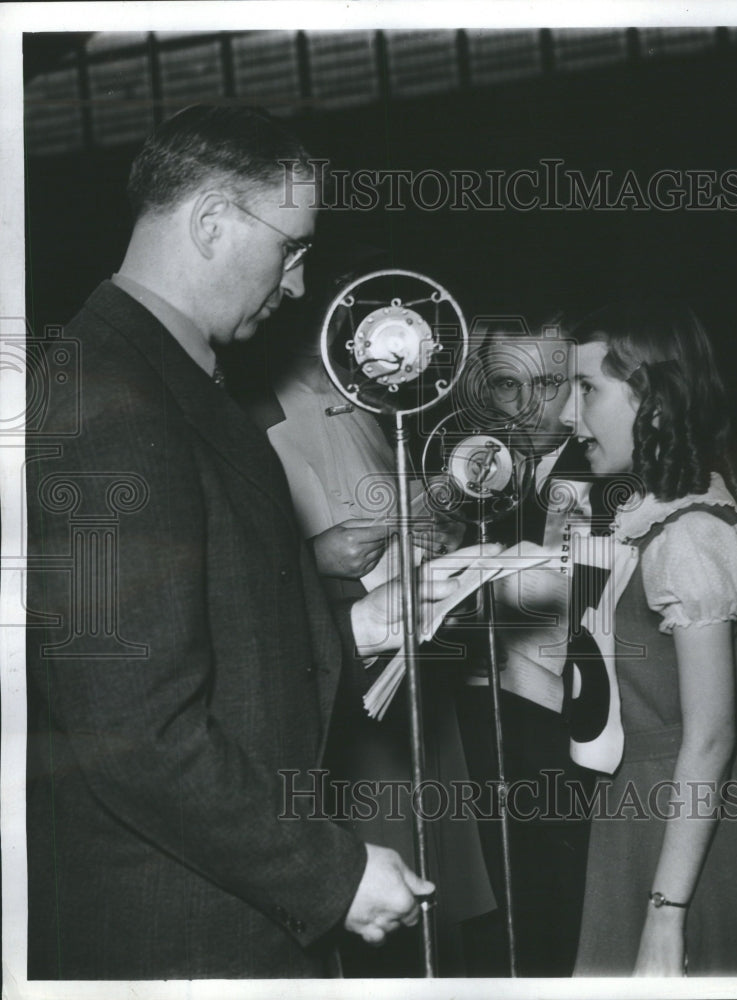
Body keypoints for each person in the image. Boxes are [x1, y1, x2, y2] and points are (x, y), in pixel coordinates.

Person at [25, 104, 491, 980]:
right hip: (176, 926)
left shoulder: (163, 378)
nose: (301, 283)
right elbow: (136, 731)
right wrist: (334, 874)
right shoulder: (106, 403)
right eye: (292, 248)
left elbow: (204, 634)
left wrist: (357, 624)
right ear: (208, 221)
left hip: (212, 905)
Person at [245, 276, 494, 975]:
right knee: (373, 857)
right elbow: (246, 561)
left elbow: (399, 498)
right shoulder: (251, 409)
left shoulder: (369, 404)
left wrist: (433, 522)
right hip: (337, 658)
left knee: (430, 861)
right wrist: (317, 556)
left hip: (404, 647)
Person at [559, 298, 737, 976]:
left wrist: (664, 913)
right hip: (645, 814)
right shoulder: (666, 512)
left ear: (651, 403)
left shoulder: (687, 537)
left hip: (690, 839)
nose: (570, 417)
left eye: (586, 389)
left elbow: (711, 736)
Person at [451, 314, 603, 976]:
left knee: (564, 916)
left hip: (572, 727)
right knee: (504, 907)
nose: (526, 407)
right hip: (490, 720)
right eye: (506, 386)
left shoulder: (604, 461)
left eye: (545, 384)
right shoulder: (487, 461)